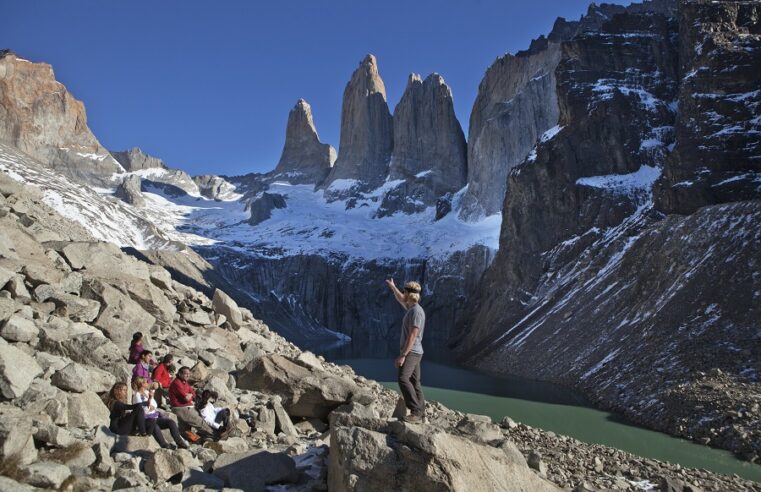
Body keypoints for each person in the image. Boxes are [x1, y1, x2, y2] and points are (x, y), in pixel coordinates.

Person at [385, 279, 426, 423]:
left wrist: (403, 355)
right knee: (415, 382)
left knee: (403, 379)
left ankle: (415, 412)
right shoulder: (412, 308)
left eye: (405, 292)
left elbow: (413, 335)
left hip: (412, 352)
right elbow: (400, 299)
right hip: (416, 351)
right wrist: (393, 287)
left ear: (409, 294)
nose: (403, 294)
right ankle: (421, 412)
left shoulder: (416, 312)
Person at [132, 377, 189, 449]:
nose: (148, 384)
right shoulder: (137, 395)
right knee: (155, 426)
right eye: (146, 382)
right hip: (145, 420)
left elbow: (154, 405)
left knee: (171, 422)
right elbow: (142, 410)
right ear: (141, 384)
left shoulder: (147, 392)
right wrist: (149, 401)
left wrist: (150, 402)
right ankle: (165, 445)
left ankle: (180, 442)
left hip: (154, 416)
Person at [169, 366, 215, 438]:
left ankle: (203, 435)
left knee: (204, 415)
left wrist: (190, 395)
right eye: (186, 374)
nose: (188, 375)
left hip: (187, 406)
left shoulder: (185, 382)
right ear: (180, 374)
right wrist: (189, 395)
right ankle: (214, 434)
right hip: (180, 408)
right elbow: (186, 398)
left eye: (189, 374)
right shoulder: (177, 383)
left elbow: (193, 394)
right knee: (199, 420)